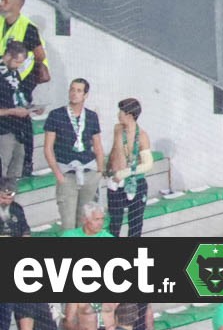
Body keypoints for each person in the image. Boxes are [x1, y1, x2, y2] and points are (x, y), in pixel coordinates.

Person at [39, 75, 101, 233]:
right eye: (72, 89)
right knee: (67, 223)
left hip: (89, 172)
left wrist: (99, 171)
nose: (74, 93)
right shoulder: (56, 115)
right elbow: (48, 148)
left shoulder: (92, 116)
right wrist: (58, 174)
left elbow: (98, 145)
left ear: (85, 95)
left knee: (85, 222)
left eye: (79, 91)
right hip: (67, 172)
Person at [103, 97, 150, 238]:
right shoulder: (117, 129)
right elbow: (115, 149)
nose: (118, 115)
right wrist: (108, 167)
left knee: (135, 225)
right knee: (114, 223)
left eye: (121, 112)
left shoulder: (142, 136)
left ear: (129, 115)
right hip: (116, 183)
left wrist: (124, 173)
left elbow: (148, 164)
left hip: (135, 183)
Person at [0, 42, 39, 183]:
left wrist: (31, 107)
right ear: (8, 55)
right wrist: (11, 111)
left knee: (15, 170)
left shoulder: (14, 72)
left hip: (18, 128)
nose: (18, 66)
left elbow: (18, 97)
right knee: (2, 167)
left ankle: (10, 200)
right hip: (3, 131)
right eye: (17, 61)